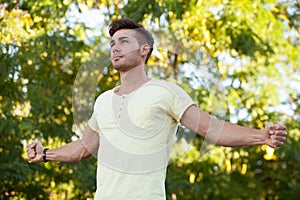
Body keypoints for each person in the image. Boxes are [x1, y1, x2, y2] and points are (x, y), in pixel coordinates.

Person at [27, 18, 287, 200]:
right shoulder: (103, 100)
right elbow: (84, 147)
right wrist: (46, 154)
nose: (115, 47)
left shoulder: (166, 92)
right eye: (112, 43)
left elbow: (212, 129)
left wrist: (262, 137)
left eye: (123, 41)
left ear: (144, 50)